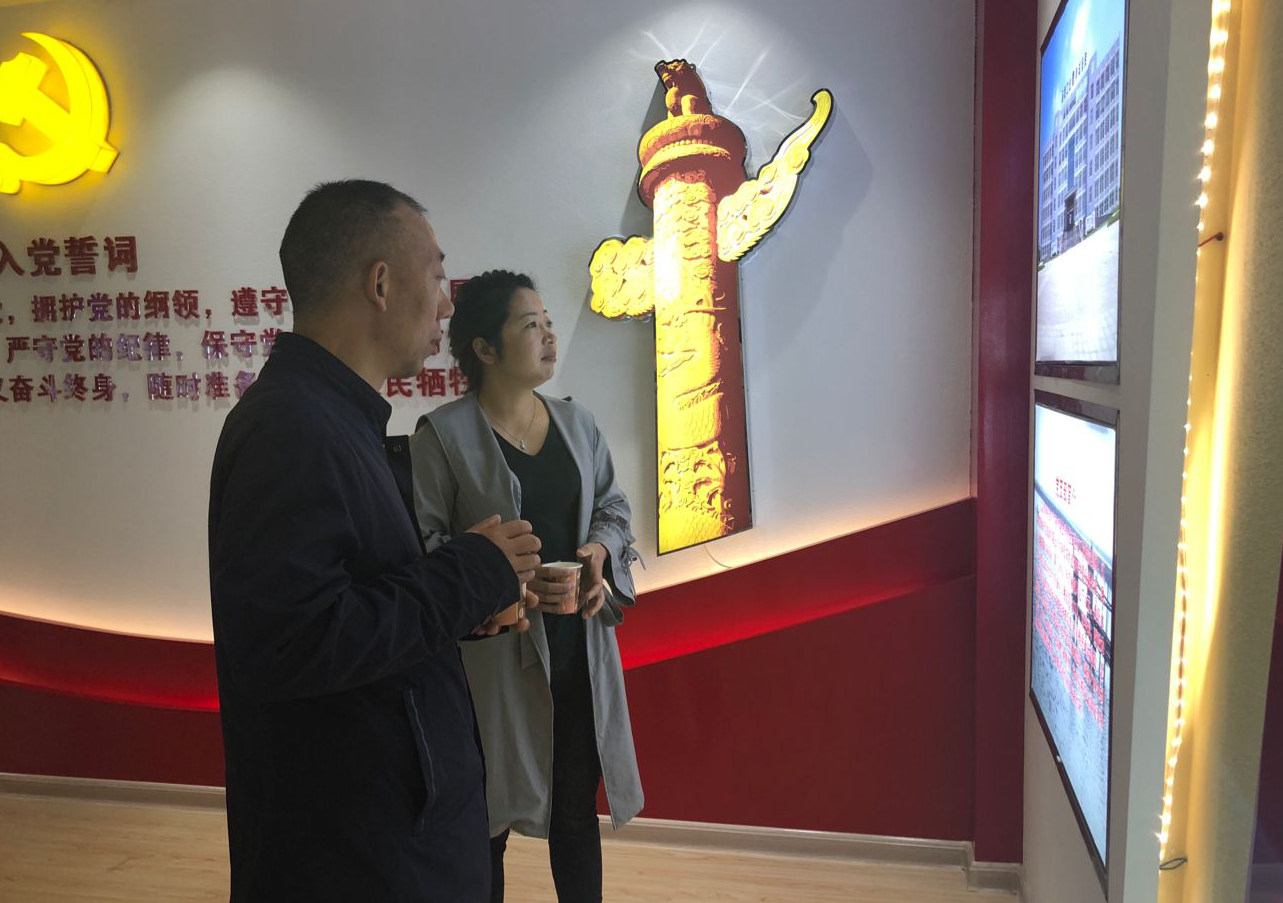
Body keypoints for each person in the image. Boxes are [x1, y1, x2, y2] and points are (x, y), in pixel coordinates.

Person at [208, 181, 540, 902]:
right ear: (381, 283)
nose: (447, 304)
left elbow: (354, 604)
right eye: (437, 275)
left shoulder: (336, 419)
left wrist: (464, 600)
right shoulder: (292, 429)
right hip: (357, 856)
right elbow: (291, 642)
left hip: (388, 834)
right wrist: (467, 572)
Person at [410, 270, 644, 903]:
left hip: (577, 655)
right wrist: (495, 580)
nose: (548, 336)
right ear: (485, 349)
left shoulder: (576, 424)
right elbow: (423, 546)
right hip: (491, 664)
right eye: (530, 325)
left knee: (576, 813)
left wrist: (598, 554)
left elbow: (613, 508)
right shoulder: (443, 437)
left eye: (548, 323)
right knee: (484, 823)